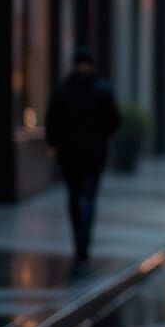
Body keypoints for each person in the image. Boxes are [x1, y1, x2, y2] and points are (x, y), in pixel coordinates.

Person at [45, 47, 121, 262]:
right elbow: (114, 121)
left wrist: (55, 145)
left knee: (74, 197)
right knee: (88, 197)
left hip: (70, 155)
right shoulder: (102, 90)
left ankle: (80, 240)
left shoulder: (63, 90)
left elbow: (52, 123)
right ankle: (83, 241)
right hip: (93, 154)